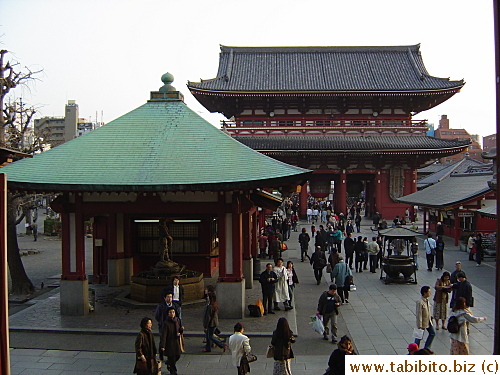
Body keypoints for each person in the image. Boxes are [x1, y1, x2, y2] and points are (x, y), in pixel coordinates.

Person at [160, 307, 183, 375]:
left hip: (176, 341)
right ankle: (173, 371)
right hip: (169, 342)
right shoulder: (166, 323)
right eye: (170, 312)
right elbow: (164, 334)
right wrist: (163, 345)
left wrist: (181, 330)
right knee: (172, 357)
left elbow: (179, 330)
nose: (172, 314)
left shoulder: (177, 320)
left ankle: (169, 363)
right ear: (168, 314)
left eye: (173, 312)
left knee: (178, 355)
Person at [415, 286, 435, 350]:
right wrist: (419, 324)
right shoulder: (420, 302)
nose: (430, 293)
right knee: (419, 337)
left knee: (432, 333)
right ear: (424, 293)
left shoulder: (427, 301)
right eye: (429, 292)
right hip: (422, 322)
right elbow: (419, 314)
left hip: (428, 321)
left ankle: (427, 347)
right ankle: (415, 348)